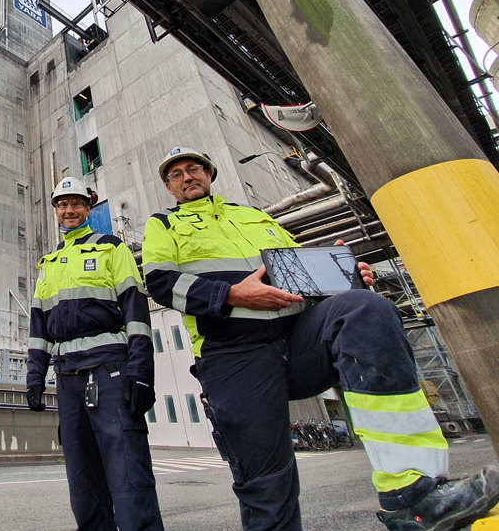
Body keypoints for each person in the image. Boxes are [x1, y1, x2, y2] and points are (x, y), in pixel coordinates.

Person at [142, 145, 499, 531]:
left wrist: (342, 274)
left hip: (300, 339)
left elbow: (301, 271)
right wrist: (231, 295)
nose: (187, 177)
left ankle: (412, 495)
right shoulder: (162, 224)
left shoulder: (253, 216)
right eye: (177, 175)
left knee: (364, 306)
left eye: (194, 169)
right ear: (169, 187)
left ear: (209, 174)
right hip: (234, 354)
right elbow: (160, 283)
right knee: (266, 485)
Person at [27, 177, 164, 531]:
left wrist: (141, 372)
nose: (69, 210)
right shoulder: (49, 263)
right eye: (62, 205)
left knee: (128, 472)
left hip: (110, 370)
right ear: (55, 211)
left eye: (76, 204)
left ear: (88, 208)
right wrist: (34, 377)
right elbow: (38, 328)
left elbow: (136, 312)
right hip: (68, 378)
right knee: (82, 477)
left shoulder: (110, 248)